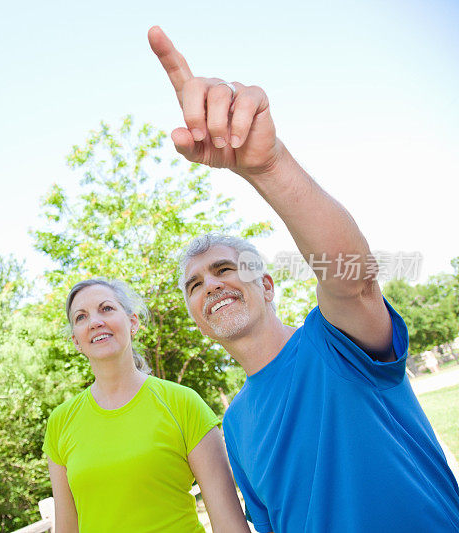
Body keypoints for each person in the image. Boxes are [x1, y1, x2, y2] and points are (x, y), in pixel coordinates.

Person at [147, 25, 459, 532]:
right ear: (195, 317)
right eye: (195, 284)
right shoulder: (235, 423)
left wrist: (268, 167)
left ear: (266, 286)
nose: (211, 286)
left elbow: (354, 279)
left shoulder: (334, 342)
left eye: (225, 269)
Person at [43, 278, 251, 532]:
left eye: (106, 308)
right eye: (81, 317)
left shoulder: (184, 403)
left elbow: (229, 524)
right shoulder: (60, 422)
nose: (95, 322)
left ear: (133, 322)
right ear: (76, 340)